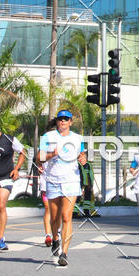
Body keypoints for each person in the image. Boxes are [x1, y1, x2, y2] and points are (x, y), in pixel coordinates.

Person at [41, 109, 86, 266]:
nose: (63, 121)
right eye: (60, 119)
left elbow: (83, 156)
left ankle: (64, 253)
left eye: (66, 119)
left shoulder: (77, 138)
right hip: (53, 180)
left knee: (67, 216)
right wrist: (51, 155)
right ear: (57, 122)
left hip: (71, 180)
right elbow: (39, 158)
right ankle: (55, 239)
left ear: (71, 122)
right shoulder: (47, 137)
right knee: (55, 218)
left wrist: (83, 158)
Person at [37, 119, 58, 246]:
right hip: (46, 179)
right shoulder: (46, 139)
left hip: (61, 180)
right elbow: (40, 157)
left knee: (59, 209)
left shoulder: (67, 140)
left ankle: (58, 231)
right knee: (48, 208)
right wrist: (39, 165)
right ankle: (48, 235)